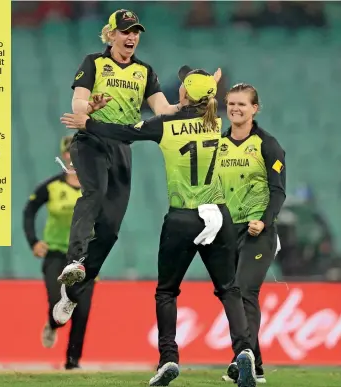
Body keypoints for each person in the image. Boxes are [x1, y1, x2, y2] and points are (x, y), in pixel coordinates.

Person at [60, 68, 257, 387]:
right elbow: (208, 105)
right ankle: (244, 350)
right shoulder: (217, 121)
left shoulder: (166, 125)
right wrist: (210, 87)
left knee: (166, 291)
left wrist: (88, 123)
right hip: (218, 216)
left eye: (182, 86)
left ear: (183, 94)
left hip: (183, 218)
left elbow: (124, 133)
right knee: (229, 289)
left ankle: (168, 358)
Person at [53, 8, 222, 325]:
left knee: (111, 230)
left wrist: (199, 97)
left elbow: (164, 110)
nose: (131, 37)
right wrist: (89, 109)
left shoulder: (145, 71)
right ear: (112, 34)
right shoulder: (94, 63)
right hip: (90, 139)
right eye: (126, 31)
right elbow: (78, 103)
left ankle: (71, 295)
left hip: (122, 146)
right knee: (94, 192)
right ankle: (74, 259)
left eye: (136, 32)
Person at [217, 83, 286, 384]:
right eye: (231, 104)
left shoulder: (268, 145)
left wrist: (265, 221)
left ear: (255, 108)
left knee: (245, 291)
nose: (235, 109)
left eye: (242, 104)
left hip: (258, 232)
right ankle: (254, 366)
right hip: (227, 232)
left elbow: (278, 191)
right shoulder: (218, 144)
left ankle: (239, 358)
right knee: (234, 294)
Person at [22, 135, 95, 370]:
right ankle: (53, 326)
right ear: (64, 156)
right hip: (55, 254)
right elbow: (29, 210)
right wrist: (34, 241)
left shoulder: (94, 187)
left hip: (83, 258)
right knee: (58, 304)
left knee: (81, 310)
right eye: (70, 153)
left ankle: (72, 363)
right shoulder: (52, 186)